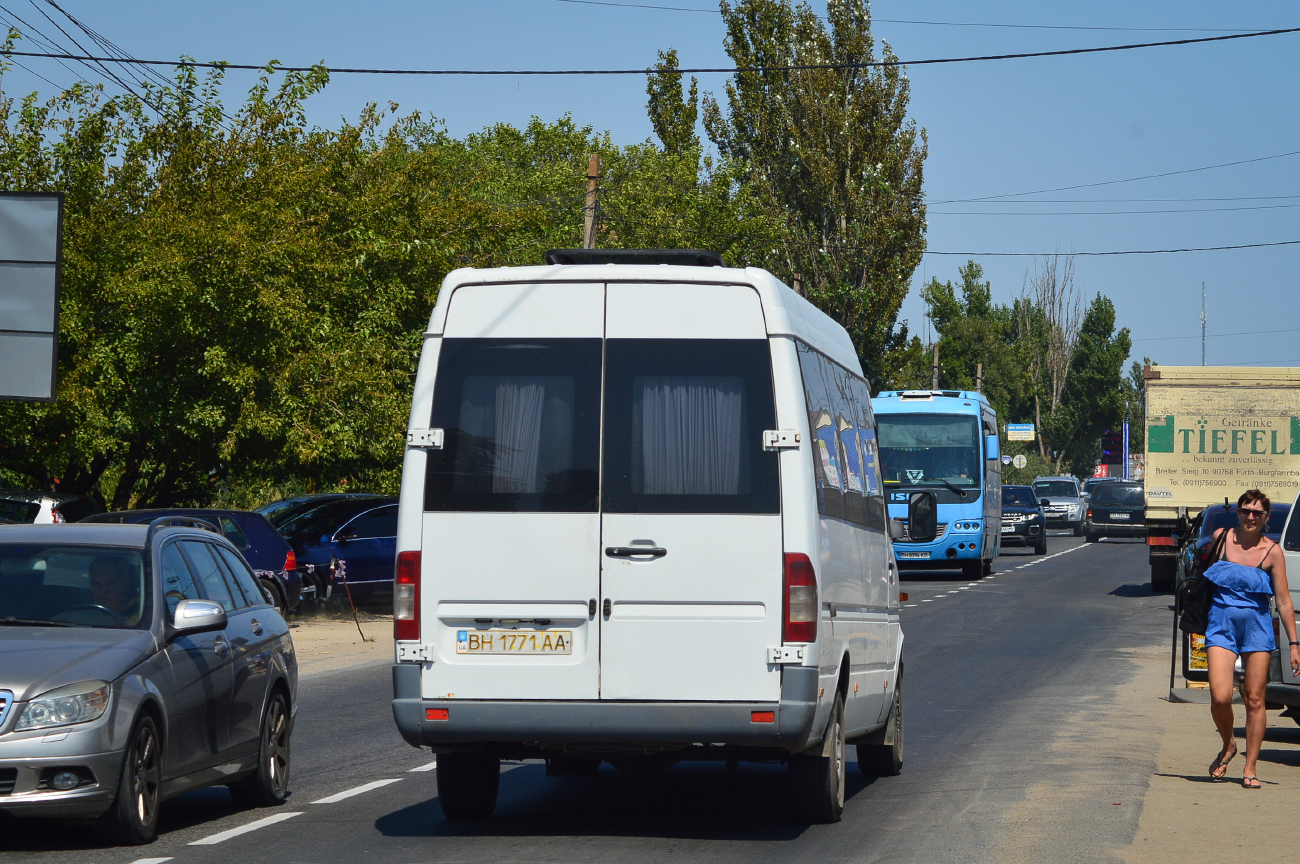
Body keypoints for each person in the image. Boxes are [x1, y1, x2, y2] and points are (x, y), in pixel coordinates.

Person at [1204, 489, 1300, 788]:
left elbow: (1284, 602)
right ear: (1239, 512)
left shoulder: (1273, 552)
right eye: (1246, 510)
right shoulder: (1221, 538)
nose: (1250, 516)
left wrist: (1294, 644)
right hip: (1220, 624)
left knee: (1255, 699)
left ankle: (1250, 768)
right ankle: (1228, 743)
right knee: (1220, 696)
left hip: (1256, 628)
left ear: (1266, 518)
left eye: (1257, 513)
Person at [88, 555, 142, 625]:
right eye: (96, 584)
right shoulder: (82, 616)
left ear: (126, 584)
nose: (102, 592)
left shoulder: (142, 617)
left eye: (110, 584)